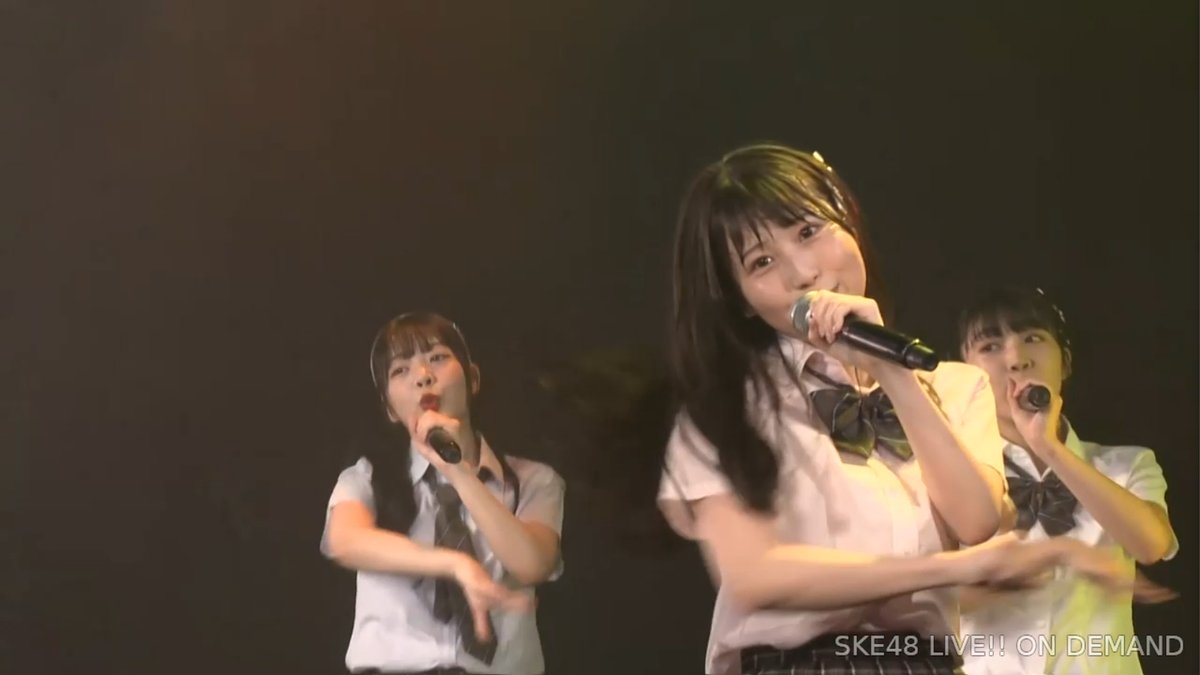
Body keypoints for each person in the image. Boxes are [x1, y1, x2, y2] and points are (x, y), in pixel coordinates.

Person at [656, 143, 1150, 675]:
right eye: (762, 262)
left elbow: (976, 520)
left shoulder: (956, 386)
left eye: (808, 231)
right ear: (740, 300)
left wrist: (891, 372)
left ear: (847, 223)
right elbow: (757, 575)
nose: (803, 271)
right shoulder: (723, 405)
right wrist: (950, 569)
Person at [321, 311, 565, 674]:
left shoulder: (533, 480)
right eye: (400, 370)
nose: (423, 376)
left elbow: (533, 564)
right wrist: (455, 564)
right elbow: (344, 541)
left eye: (437, 357)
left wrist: (458, 470)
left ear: (473, 378)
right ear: (389, 408)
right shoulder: (366, 478)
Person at [955, 287, 1178, 675]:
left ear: (1066, 362)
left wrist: (1051, 448)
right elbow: (921, 597)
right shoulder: (948, 476)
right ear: (964, 374)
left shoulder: (1127, 463)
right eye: (990, 346)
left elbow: (1151, 544)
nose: (1016, 359)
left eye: (1033, 338)